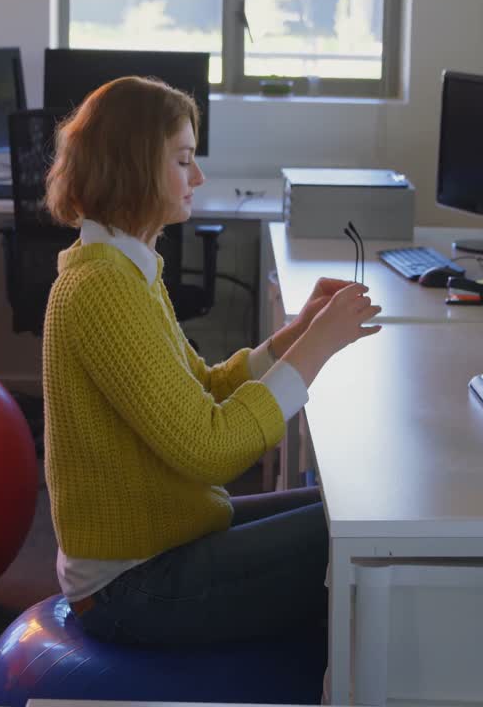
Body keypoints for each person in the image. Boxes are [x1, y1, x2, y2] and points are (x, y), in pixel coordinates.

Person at [41, 75, 381, 646]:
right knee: (358, 538)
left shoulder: (125, 269)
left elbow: (201, 387)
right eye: (183, 160)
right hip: (132, 585)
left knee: (347, 509)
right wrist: (318, 348)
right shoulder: (102, 287)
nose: (197, 177)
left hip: (160, 545)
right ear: (135, 167)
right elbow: (210, 450)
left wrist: (295, 334)